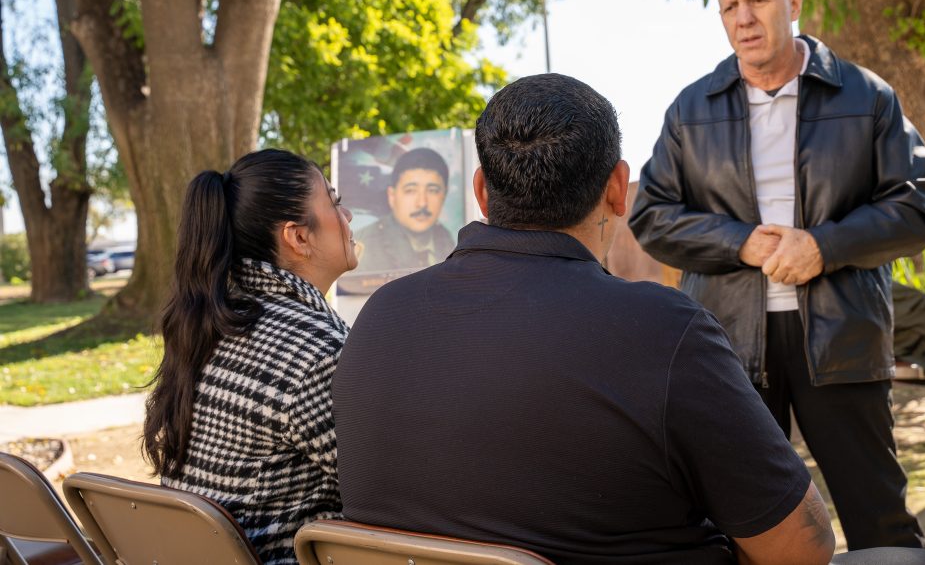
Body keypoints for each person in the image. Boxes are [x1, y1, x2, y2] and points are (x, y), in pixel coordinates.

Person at [333, 73, 837, 565]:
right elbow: (801, 549)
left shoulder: (378, 319)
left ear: (482, 191)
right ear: (618, 188)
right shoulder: (662, 330)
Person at [629, 0, 925, 551]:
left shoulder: (867, 96)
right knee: (736, 527)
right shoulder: (690, 110)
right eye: (730, 6)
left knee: (879, 518)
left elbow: (921, 206)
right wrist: (740, 241)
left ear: (793, 2)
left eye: (758, 0)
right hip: (728, 346)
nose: (744, 18)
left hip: (842, 338)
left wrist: (824, 247)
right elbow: (650, 217)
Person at [143, 148, 357, 565]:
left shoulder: (213, 321)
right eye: (334, 202)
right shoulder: (312, 351)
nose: (347, 216)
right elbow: (388, 486)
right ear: (298, 237)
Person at [355, 147, 455, 273]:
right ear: (392, 196)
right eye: (410, 190)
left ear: (444, 195)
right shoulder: (362, 249)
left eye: (432, 190)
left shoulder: (454, 244)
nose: (422, 203)